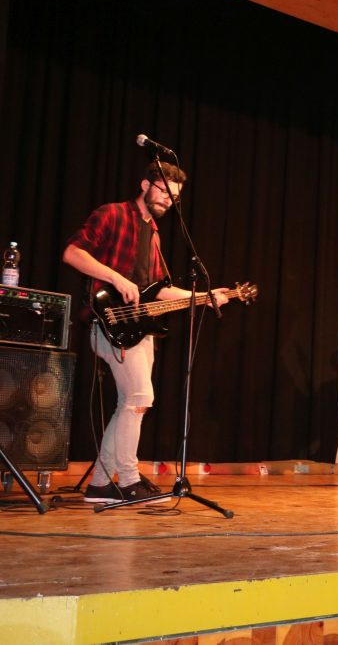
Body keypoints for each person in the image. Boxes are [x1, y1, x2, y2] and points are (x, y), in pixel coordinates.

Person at [64, 160, 230, 504]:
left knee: (132, 404)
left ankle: (100, 485)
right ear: (145, 185)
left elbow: (159, 290)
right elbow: (72, 253)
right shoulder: (112, 214)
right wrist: (116, 278)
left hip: (138, 328)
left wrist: (204, 296)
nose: (169, 200)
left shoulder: (153, 233)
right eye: (165, 191)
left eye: (175, 197)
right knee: (140, 399)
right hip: (109, 321)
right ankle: (127, 480)